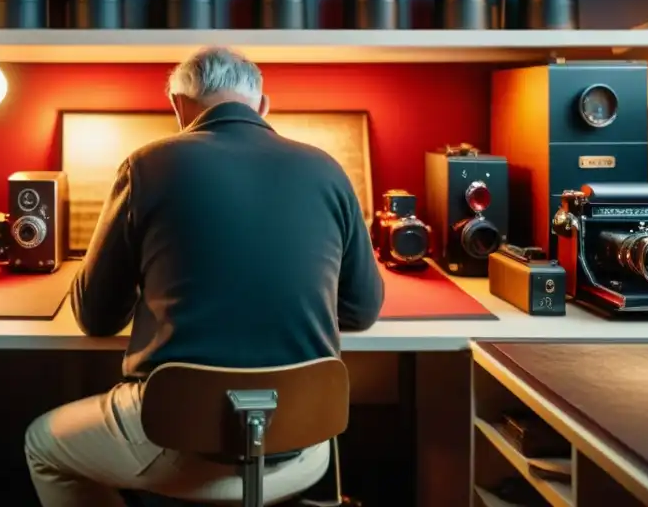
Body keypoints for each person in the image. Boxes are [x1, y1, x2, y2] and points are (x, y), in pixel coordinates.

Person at [25, 46, 384, 506]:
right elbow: (361, 310)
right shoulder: (328, 169)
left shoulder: (146, 166)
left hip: (176, 443)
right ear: (263, 106)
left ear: (177, 106)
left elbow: (95, 318)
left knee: (43, 445)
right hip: (303, 450)